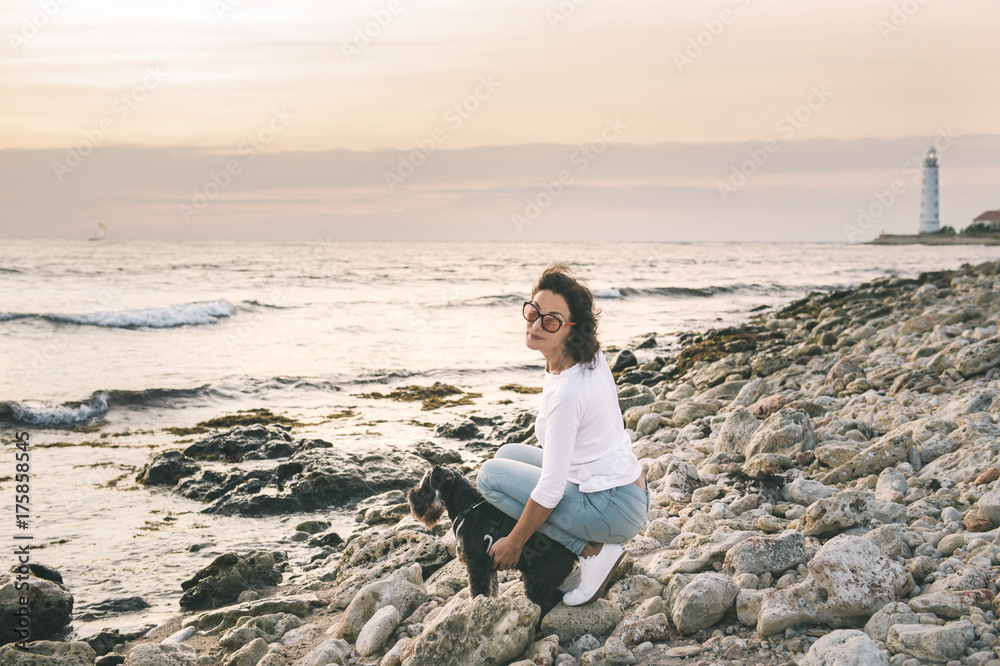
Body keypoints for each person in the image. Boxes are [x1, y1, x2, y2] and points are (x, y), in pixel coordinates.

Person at [477, 264, 649, 606]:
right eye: (532, 311)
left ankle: (590, 551)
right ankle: (590, 547)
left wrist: (514, 541)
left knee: (488, 477)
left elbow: (551, 489)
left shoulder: (569, 391)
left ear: (571, 330)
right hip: (621, 489)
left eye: (550, 321)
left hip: (612, 508)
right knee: (505, 455)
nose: (536, 324)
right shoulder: (580, 357)